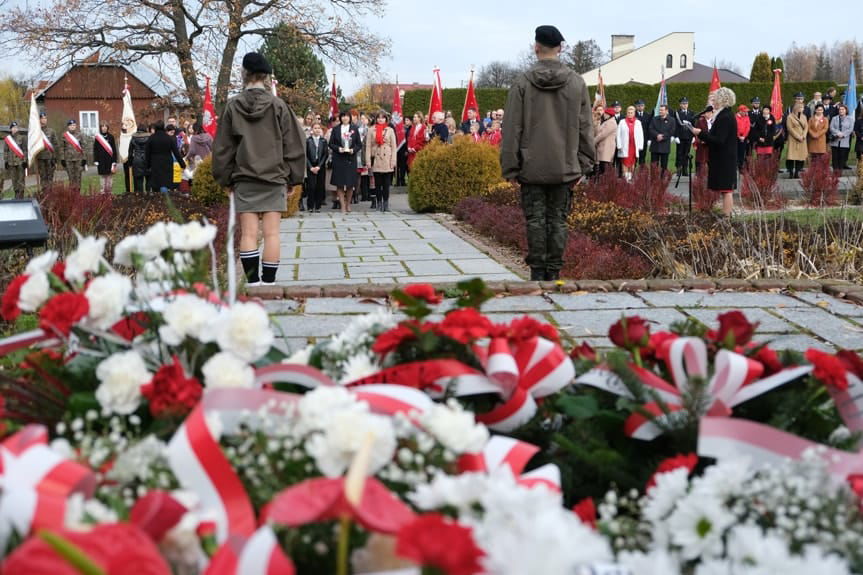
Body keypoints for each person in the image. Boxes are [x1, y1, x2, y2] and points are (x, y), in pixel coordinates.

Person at [501, 24, 594, 282]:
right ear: (560, 48)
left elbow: (512, 128)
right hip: (565, 166)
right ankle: (553, 272)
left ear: (536, 47)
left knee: (535, 220)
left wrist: (511, 166)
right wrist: (584, 164)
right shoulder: (576, 83)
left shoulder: (522, 83)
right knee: (558, 220)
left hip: (531, 167)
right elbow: (586, 127)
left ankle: (538, 273)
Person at [213, 52, 305, 287]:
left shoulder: (232, 106)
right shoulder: (279, 106)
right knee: (272, 234)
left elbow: (223, 147)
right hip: (274, 177)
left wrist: (225, 179)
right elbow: (294, 144)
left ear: (243, 73)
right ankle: (270, 284)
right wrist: (294, 178)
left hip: (244, 178)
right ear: (266, 77)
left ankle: (252, 283)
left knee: (248, 234)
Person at [689, 87, 738, 216]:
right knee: (724, 189)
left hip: (725, 159)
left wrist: (701, 133)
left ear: (722, 100)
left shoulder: (725, 117)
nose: (713, 102)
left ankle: (726, 216)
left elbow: (719, 139)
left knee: (726, 190)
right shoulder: (723, 115)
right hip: (722, 158)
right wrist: (704, 136)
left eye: (715, 99)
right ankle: (725, 214)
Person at [328, 110, 362, 213]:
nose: (345, 118)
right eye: (343, 116)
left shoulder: (354, 129)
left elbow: (359, 144)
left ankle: (348, 204)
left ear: (350, 118)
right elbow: (331, 144)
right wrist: (339, 149)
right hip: (339, 158)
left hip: (350, 159)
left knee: (350, 184)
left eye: (347, 116)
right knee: (340, 184)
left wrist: (353, 150)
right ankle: (342, 205)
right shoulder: (336, 129)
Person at [365, 110, 397, 212]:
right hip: (376, 158)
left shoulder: (390, 130)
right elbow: (368, 146)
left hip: (387, 158)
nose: (380, 119)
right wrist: (368, 161)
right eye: (378, 117)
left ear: (386, 119)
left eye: (383, 118)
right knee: (377, 184)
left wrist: (393, 160)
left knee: (386, 184)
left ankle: (386, 203)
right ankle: (379, 203)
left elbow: (394, 147)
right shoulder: (371, 130)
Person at [145, 122, 185, 194]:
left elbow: (147, 153)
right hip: (167, 162)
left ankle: (156, 196)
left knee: (156, 183)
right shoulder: (169, 138)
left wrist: (147, 165)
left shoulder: (151, 138)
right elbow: (176, 152)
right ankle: (165, 196)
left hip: (155, 162)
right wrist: (182, 164)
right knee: (165, 182)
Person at [305, 122, 329, 212]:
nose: (317, 130)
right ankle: (310, 205)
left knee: (320, 186)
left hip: (320, 166)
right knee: (311, 186)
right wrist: (310, 167)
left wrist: (319, 166)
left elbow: (325, 155)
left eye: (319, 128)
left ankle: (318, 205)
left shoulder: (323, 141)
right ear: (312, 130)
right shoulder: (308, 141)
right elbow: (305, 155)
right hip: (311, 165)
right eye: (315, 128)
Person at [616, 105, 643, 182]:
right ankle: (626, 178)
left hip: (634, 146)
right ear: (626, 113)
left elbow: (641, 135)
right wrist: (619, 145)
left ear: (634, 113)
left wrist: (640, 146)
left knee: (632, 162)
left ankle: (630, 178)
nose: (630, 114)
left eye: (631, 112)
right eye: (628, 112)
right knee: (625, 162)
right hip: (624, 146)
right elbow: (618, 134)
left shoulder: (638, 122)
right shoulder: (622, 122)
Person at [648, 104, 676, 174]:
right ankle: (654, 178)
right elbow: (651, 129)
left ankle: (663, 179)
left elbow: (672, 131)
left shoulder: (672, 120)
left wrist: (663, 137)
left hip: (665, 146)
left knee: (664, 165)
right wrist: (657, 135)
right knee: (654, 165)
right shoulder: (654, 119)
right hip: (655, 146)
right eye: (659, 110)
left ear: (666, 111)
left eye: (662, 110)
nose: (660, 111)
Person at [59, 119, 86, 191]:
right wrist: (62, 159)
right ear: (68, 126)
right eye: (71, 125)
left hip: (78, 159)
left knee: (78, 177)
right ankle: (72, 194)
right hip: (68, 160)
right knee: (71, 178)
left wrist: (84, 158)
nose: (72, 127)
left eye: (74, 125)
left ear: (76, 126)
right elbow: (62, 148)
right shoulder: (64, 135)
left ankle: (78, 194)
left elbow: (83, 147)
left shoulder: (80, 135)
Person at [35, 112, 58, 193]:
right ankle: (44, 193)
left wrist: (54, 158)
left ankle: (50, 193)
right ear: (39, 120)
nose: (44, 120)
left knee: (50, 176)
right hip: (40, 158)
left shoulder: (51, 131)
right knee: (43, 176)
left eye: (45, 118)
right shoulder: (36, 132)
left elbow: (55, 145)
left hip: (50, 158)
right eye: (42, 118)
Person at [785, 101, 809, 179]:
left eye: (803, 107)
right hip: (793, 139)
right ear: (797, 108)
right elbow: (789, 128)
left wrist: (803, 135)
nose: (803, 109)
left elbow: (806, 127)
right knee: (791, 157)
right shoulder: (790, 117)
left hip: (802, 139)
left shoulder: (804, 117)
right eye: (801, 107)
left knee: (800, 157)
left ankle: (797, 172)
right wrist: (797, 136)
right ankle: (791, 172)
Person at [92, 122, 117, 194]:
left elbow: (114, 149)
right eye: (102, 126)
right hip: (101, 160)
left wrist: (114, 161)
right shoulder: (98, 138)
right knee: (102, 176)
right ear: (100, 128)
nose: (104, 128)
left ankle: (109, 192)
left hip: (109, 160)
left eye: (105, 126)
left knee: (109, 176)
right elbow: (95, 149)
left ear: (107, 127)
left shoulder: (111, 137)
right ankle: (102, 192)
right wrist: (96, 160)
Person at [4, 121, 27, 198]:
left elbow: (25, 150)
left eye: (16, 127)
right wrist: (6, 161)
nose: (15, 129)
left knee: (21, 180)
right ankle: (16, 197)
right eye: (13, 128)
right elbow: (5, 151)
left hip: (20, 163)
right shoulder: (7, 139)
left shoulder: (22, 138)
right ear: (11, 129)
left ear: (17, 128)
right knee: (14, 180)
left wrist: (25, 161)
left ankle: (21, 197)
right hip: (11, 163)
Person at [828, 104, 854, 171]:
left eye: (843, 109)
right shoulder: (834, 118)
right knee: (835, 158)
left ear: (846, 110)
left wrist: (843, 134)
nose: (841, 111)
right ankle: (835, 171)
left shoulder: (850, 119)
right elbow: (831, 128)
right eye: (840, 109)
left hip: (844, 141)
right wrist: (838, 133)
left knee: (842, 157)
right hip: (835, 141)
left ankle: (840, 171)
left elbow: (850, 129)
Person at [593, 105, 616, 175]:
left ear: (609, 115)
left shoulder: (611, 122)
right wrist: (597, 121)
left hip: (606, 149)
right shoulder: (606, 121)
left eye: (605, 113)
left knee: (604, 169)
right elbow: (597, 131)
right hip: (603, 149)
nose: (604, 114)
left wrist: (593, 142)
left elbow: (602, 135)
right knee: (601, 169)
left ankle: (605, 181)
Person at [674, 97, 694, 175]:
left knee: (687, 153)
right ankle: (679, 169)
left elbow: (693, 125)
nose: (685, 105)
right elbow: (675, 125)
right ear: (680, 104)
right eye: (683, 104)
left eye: (686, 103)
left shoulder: (691, 113)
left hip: (688, 136)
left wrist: (693, 136)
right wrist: (676, 136)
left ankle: (685, 169)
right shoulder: (677, 113)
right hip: (680, 136)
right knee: (679, 153)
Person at [129, 124, 150, 194]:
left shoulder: (133, 138)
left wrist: (130, 163)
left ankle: (140, 197)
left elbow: (130, 152)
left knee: (138, 181)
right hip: (148, 160)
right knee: (148, 180)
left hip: (137, 160)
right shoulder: (149, 137)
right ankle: (148, 196)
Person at [693, 107, 713, 173]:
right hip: (701, 144)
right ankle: (698, 174)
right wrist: (696, 143)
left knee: (710, 160)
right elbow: (696, 133)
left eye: (710, 113)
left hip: (711, 144)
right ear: (704, 114)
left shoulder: (714, 121)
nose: (709, 114)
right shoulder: (700, 121)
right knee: (700, 160)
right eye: (707, 113)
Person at [634, 99, 650, 165]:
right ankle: (633, 169)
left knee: (643, 156)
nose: (640, 107)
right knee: (634, 156)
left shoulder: (647, 115)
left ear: (644, 106)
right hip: (635, 138)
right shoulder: (633, 114)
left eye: (642, 105)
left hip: (644, 138)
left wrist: (649, 139)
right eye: (638, 106)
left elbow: (649, 128)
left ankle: (641, 170)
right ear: (636, 106)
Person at [735, 105, 750, 171]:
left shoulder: (747, 117)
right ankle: (735, 165)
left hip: (744, 137)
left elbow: (748, 127)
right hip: (736, 137)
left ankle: (740, 166)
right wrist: (739, 136)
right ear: (740, 111)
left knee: (742, 152)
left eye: (746, 111)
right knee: (736, 151)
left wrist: (744, 136)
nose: (746, 113)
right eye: (744, 111)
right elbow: (735, 128)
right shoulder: (735, 117)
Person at [396, 115, 410, 186]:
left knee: (405, 167)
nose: (405, 122)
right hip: (399, 149)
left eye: (407, 120)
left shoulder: (411, 129)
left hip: (406, 150)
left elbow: (409, 141)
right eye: (405, 120)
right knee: (399, 166)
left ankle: (406, 180)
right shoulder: (401, 129)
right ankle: (399, 181)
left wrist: (407, 150)